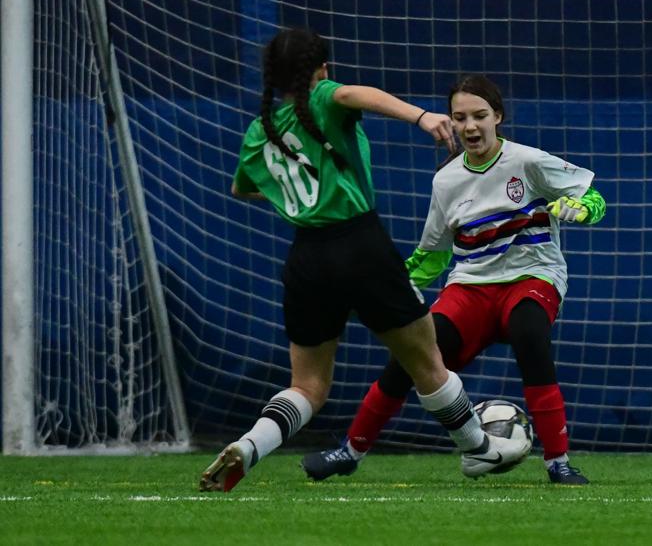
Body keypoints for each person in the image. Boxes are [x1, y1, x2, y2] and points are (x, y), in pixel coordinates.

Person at [199, 30, 530, 492]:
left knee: (308, 386)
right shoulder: (324, 97)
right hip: (359, 245)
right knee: (427, 361)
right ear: (320, 70)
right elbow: (356, 94)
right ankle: (478, 450)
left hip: (306, 259)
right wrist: (421, 117)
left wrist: (299, 197)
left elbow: (242, 188)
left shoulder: (261, 131)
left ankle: (251, 446)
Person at [301, 74, 606, 485]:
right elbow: (433, 254)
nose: (470, 126)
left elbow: (591, 194)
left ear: (497, 116)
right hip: (470, 286)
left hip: (532, 277)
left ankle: (558, 462)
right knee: (411, 356)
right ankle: (350, 451)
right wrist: (386, 285)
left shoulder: (528, 161)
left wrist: (583, 208)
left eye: (480, 116)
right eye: (460, 117)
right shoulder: (445, 180)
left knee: (529, 332)